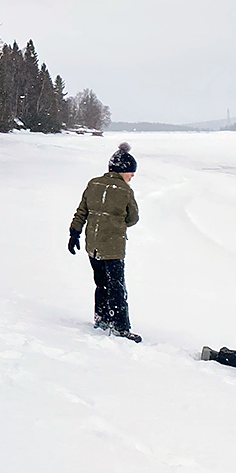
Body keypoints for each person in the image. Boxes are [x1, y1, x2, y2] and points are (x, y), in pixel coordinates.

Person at [68, 141, 141, 341]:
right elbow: (133, 218)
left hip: (93, 245)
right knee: (117, 287)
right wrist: (118, 223)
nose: (131, 177)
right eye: (131, 174)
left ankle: (101, 319)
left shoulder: (93, 183)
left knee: (101, 283)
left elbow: (82, 211)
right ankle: (120, 328)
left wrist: (74, 233)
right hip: (113, 248)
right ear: (123, 170)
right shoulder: (125, 191)